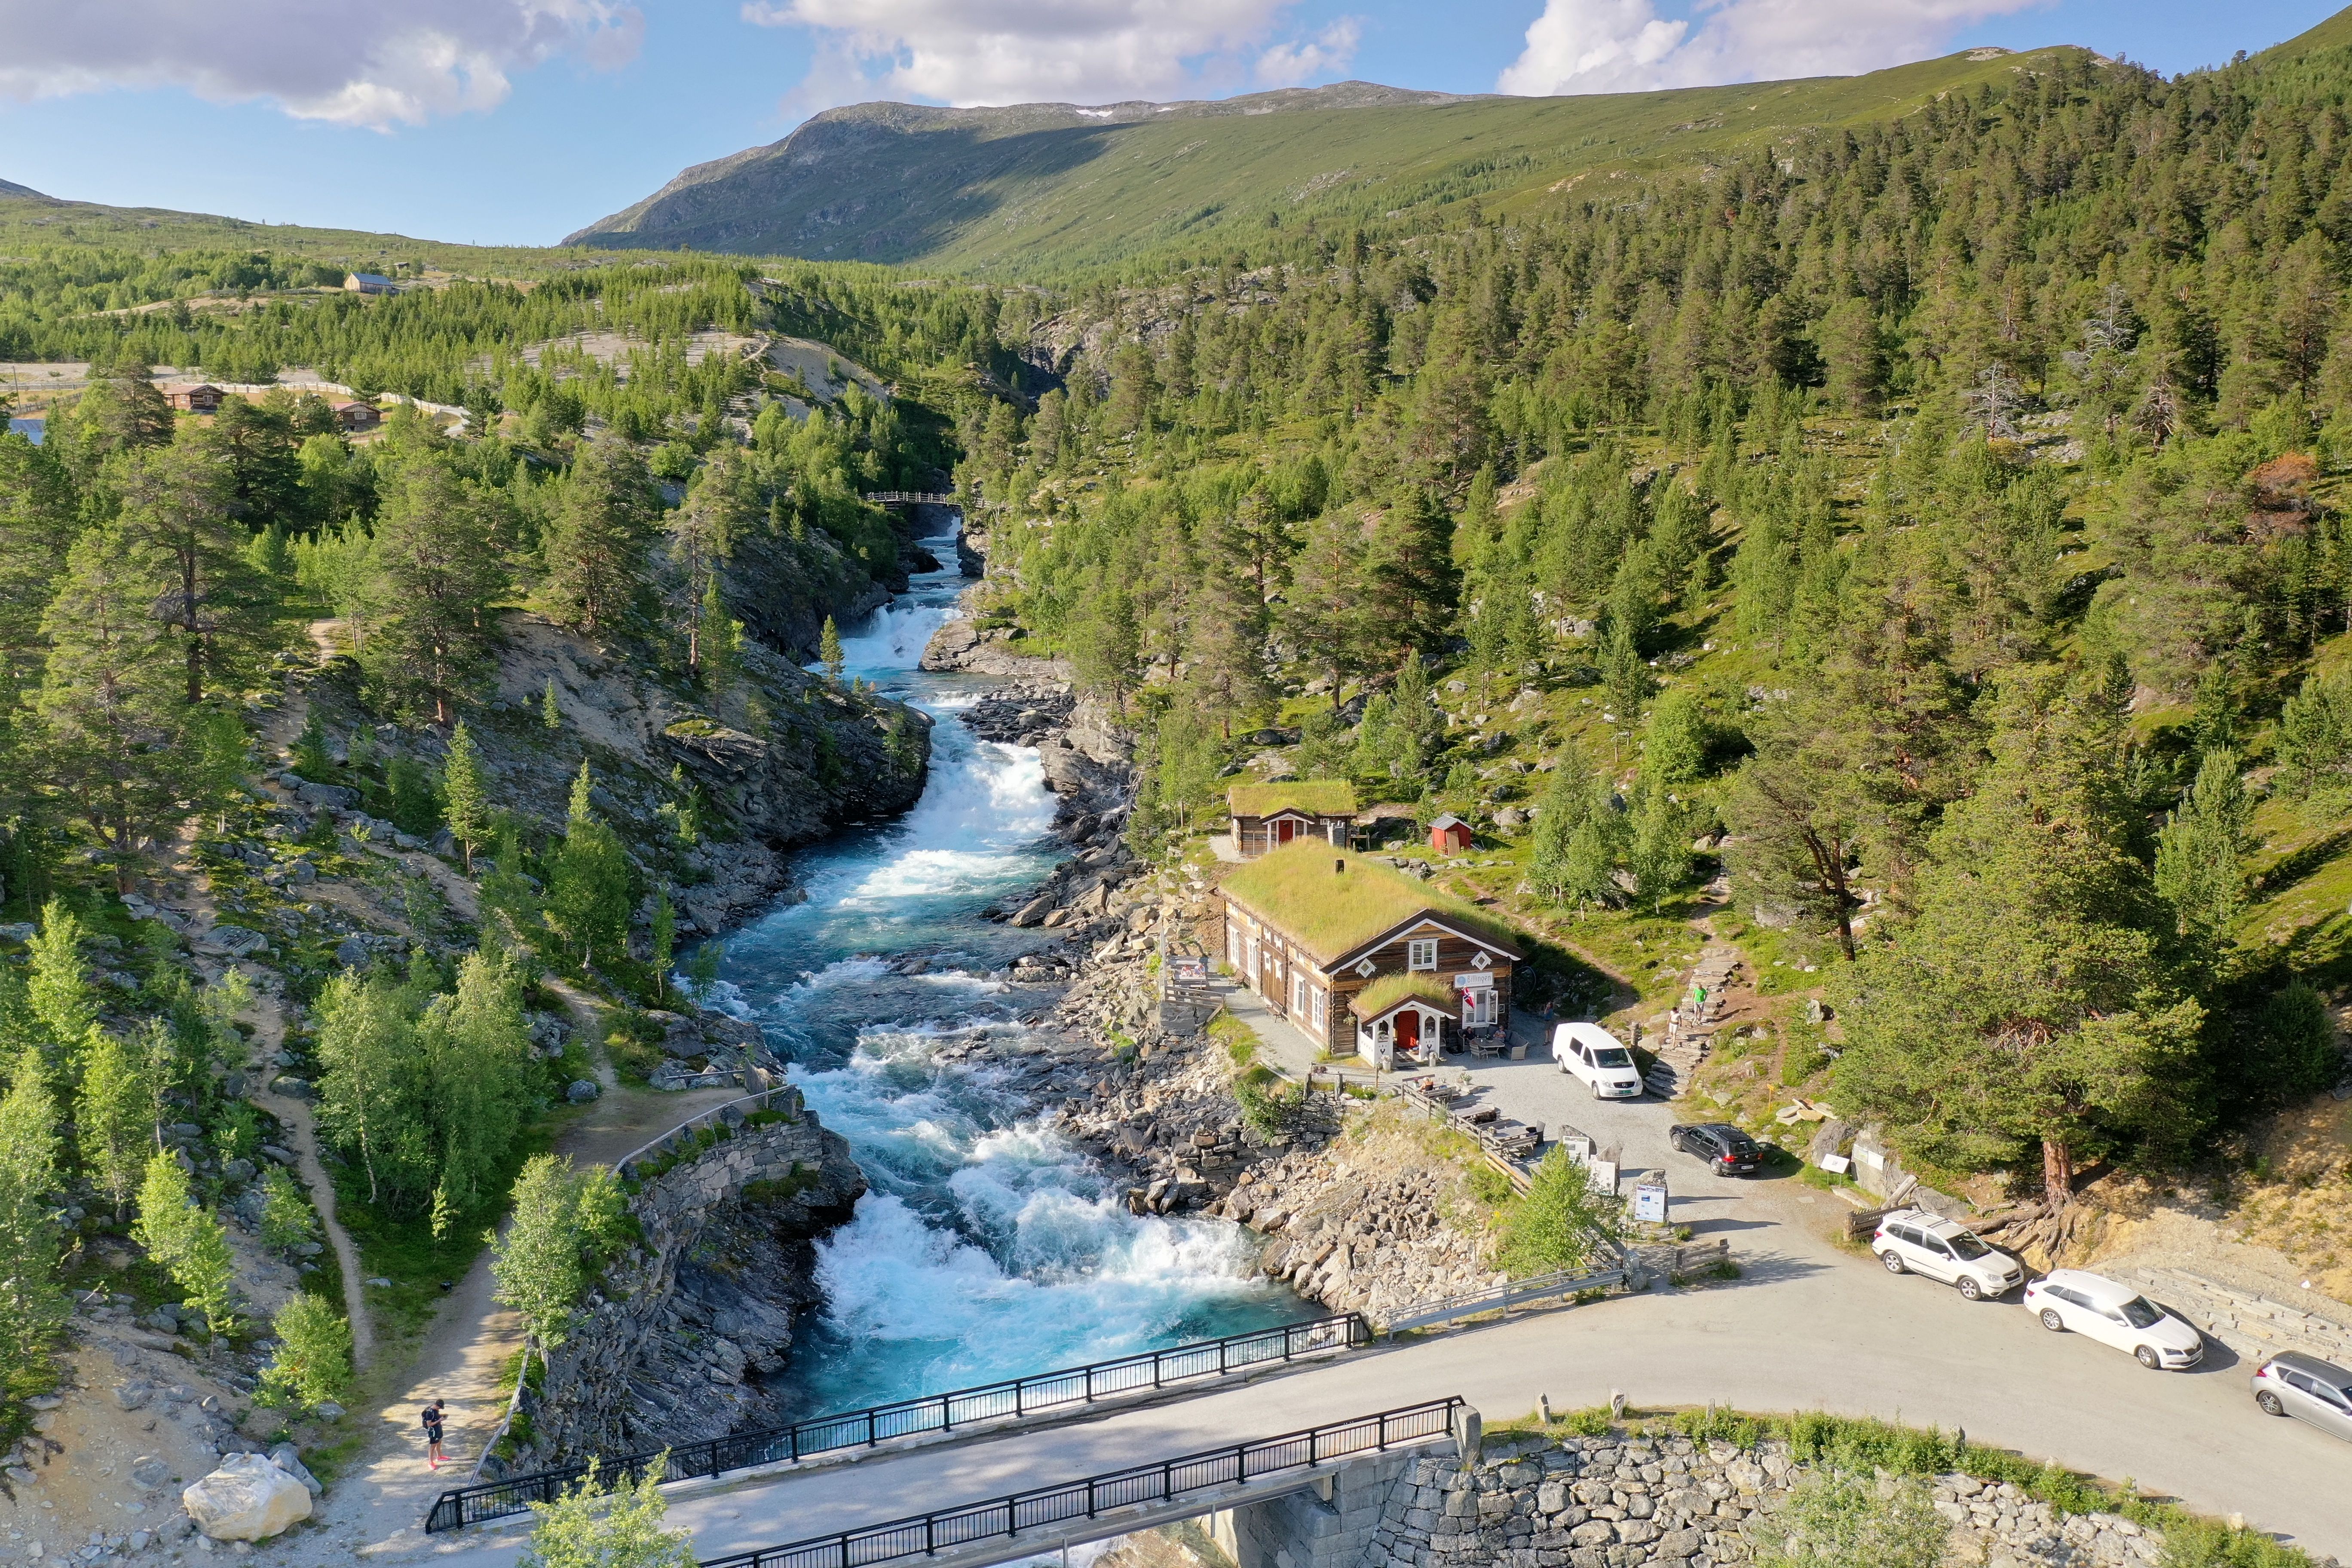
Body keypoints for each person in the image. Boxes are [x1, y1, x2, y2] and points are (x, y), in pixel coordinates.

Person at [423, 1399, 446, 1470]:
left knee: (439, 1442)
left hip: (438, 1429)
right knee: (433, 1446)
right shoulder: (429, 1413)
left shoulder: (436, 1410)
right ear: (437, 1406)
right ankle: (431, 1462)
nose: (440, 1409)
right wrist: (439, 1420)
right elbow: (429, 1424)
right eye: (440, 1408)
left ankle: (440, 1457)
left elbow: (436, 1417)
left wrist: (442, 1417)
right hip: (433, 1431)